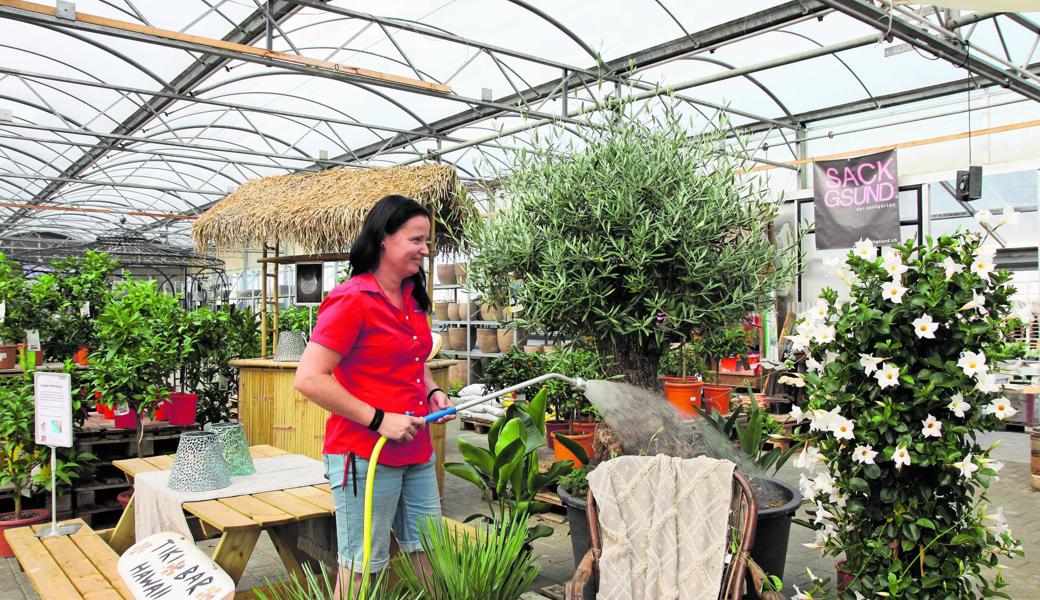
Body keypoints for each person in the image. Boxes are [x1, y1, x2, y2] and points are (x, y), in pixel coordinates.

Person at [294, 194, 455, 589]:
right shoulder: (352, 300)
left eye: (427, 242)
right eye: (416, 239)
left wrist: (432, 391)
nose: (425, 250)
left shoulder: (412, 297)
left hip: (415, 450)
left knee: (430, 553)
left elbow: (413, 358)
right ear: (384, 238)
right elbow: (309, 378)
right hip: (364, 454)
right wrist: (379, 420)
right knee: (364, 563)